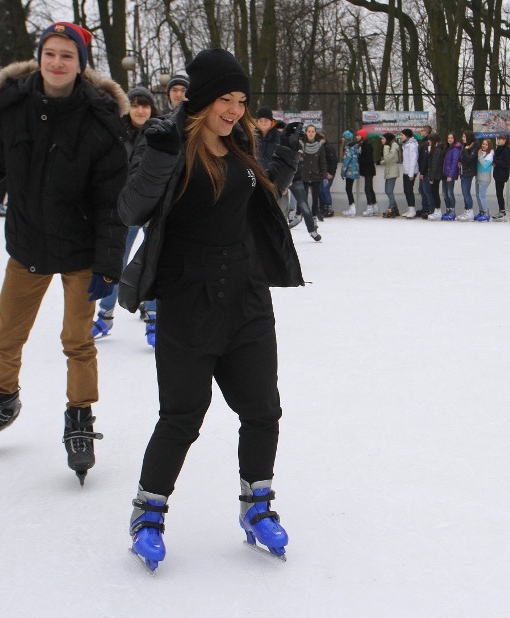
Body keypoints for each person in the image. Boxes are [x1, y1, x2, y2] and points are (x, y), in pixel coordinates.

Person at [116, 48, 303, 571]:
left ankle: (257, 507)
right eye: (225, 98)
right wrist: (155, 162)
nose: (234, 110)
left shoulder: (243, 144)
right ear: (200, 98)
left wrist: (278, 170)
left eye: (241, 101)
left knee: (263, 410)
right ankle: (147, 514)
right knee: (182, 416)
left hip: (245, 298)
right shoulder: (166, 143)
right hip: (188, 299)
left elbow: (254, 211)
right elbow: (131, 210)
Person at [0, 21, 129, 484]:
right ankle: (3, 401)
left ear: (81, 65)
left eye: (67, 56)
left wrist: (108, 265)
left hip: (80, 252)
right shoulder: (10, 108)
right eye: (50, 53)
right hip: (28, 245)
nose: (57, 62)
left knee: (78, 342)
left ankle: (80, 417)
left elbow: (111, 203)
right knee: (6, 335)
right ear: (40, 56)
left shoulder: (100, 121)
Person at [92, 86, 161, 346]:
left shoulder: (160, 131)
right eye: (135, 105)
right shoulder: (116, 134)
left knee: (152, 261)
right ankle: (105, 315)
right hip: (123, 209)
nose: (140, 110)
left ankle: (154, 316)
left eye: (145, 105)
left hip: (153, 208)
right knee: (116, 262)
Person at [299, 124, 326, 220]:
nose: (310, 133)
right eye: (309, 131)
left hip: (316, 175)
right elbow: (297, 160)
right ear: (306, 133)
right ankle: (304, 215)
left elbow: (322, 161)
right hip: (304, 175)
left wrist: (324, 175)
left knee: (315, 198)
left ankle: (314, 216)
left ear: (315, 133)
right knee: (303, 197)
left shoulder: (320, 146)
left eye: (312, 131)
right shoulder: (301, 144)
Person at [356, 128, 378, 216]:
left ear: (362, 136)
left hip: (368, 169)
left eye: (358, 135)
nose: (356, 137)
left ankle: (370, 207)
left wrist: (358, 158)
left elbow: (368, 158)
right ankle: (374, 206)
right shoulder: (363, 144)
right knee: (370, 188)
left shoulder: (367, 145)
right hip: (368, 169)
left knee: (367, 188)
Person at [491, 133, 510, 221]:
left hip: (502, 174)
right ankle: (501, 209)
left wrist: (497, 162)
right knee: (498, 193)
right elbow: (495, 159)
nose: (499, 140)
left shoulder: (506, 149)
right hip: (497, 174)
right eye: (498, 139)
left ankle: (502, 210)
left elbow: (506, 163)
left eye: (501, 139)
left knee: (499, 192)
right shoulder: (498, 149)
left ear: (505, 140)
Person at [458, 130, 478, 221]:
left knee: (466, 192)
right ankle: (467, 210)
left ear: (469, 137)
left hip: (469, 172)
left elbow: (470, 158)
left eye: (464, 137)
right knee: (464, 192)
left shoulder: (474, 145)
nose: (462, 138)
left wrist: (466, 150)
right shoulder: (464, 146)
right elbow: (463, 158)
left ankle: (470, 211)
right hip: (463, 171)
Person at [424, 133, 445, 220]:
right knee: (433, 192)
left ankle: (438, 210)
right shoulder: (434, 149)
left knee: (435, 193)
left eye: (430, 140)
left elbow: (435, 164)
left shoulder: (437, 150)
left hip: (436, 175)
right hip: (434, 174)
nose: (428, 141)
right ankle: (437, 210)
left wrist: (431, 177)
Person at [441, 132, 461, 220]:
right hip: (444, 174)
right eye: (448, 138)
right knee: (444, 194)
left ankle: (452, 210)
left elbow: (454, 163)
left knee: (449, 193)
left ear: (454, 139)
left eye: (451, 138)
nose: (449, 139)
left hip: (450, 175)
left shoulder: (455, 149)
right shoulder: (448, 148)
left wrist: (450, 175)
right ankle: (448, 209)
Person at [380, 132, 400, 217]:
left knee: (389, 191)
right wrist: (381, 162)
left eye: (383, 138)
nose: (381, 140)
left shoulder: (393, 146)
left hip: (392, 171)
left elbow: (388, 158)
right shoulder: (392, 146)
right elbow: (390, 159)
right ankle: (394, 208)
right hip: (389, 170)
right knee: (387, 190)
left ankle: (392, 208)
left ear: (387, 139)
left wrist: (385, 146)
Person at [400, 128, 419, 218]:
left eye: (402, 135)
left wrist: (411, 174)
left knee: (409, 190)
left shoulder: (412, 145)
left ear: (407, 136)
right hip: (406, 170)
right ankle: (410, 208)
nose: (401, 136)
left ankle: (412, 210)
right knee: (406, 190)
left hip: (411, 172)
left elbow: (413, 159)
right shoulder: (406, 144)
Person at [318, 130, 337, 218]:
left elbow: (333, 161)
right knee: (321, 190)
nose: (321, 140)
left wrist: (331, 172)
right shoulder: (318, 147)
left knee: (325, 189)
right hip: (321, 173)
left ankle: (328, 208)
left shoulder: (328, 147)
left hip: (328, 173)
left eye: (322, 138)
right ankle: (323, 207)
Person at [340, 130, 359, 216]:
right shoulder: (355, 147)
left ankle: (352, 207)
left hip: (349, 171)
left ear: (346, 138)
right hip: (354, 170)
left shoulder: (348, 148)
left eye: (343, 137)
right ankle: (352, 207)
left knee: (348, 189)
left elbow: (346, 161)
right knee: (349, 189)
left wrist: (342, 172)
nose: (342, 139)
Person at [475, 138, 494, 221]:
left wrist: (479, 156)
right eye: (483, 144)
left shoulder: (490, 154)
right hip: (478, 177)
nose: (484, 146)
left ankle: (486, 212)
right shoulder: (481, 153)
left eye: (486, 144)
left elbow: (485, 165)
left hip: (485, 177)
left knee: (482, 196)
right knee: (478, 196)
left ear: (489, 146)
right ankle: (481, 211)